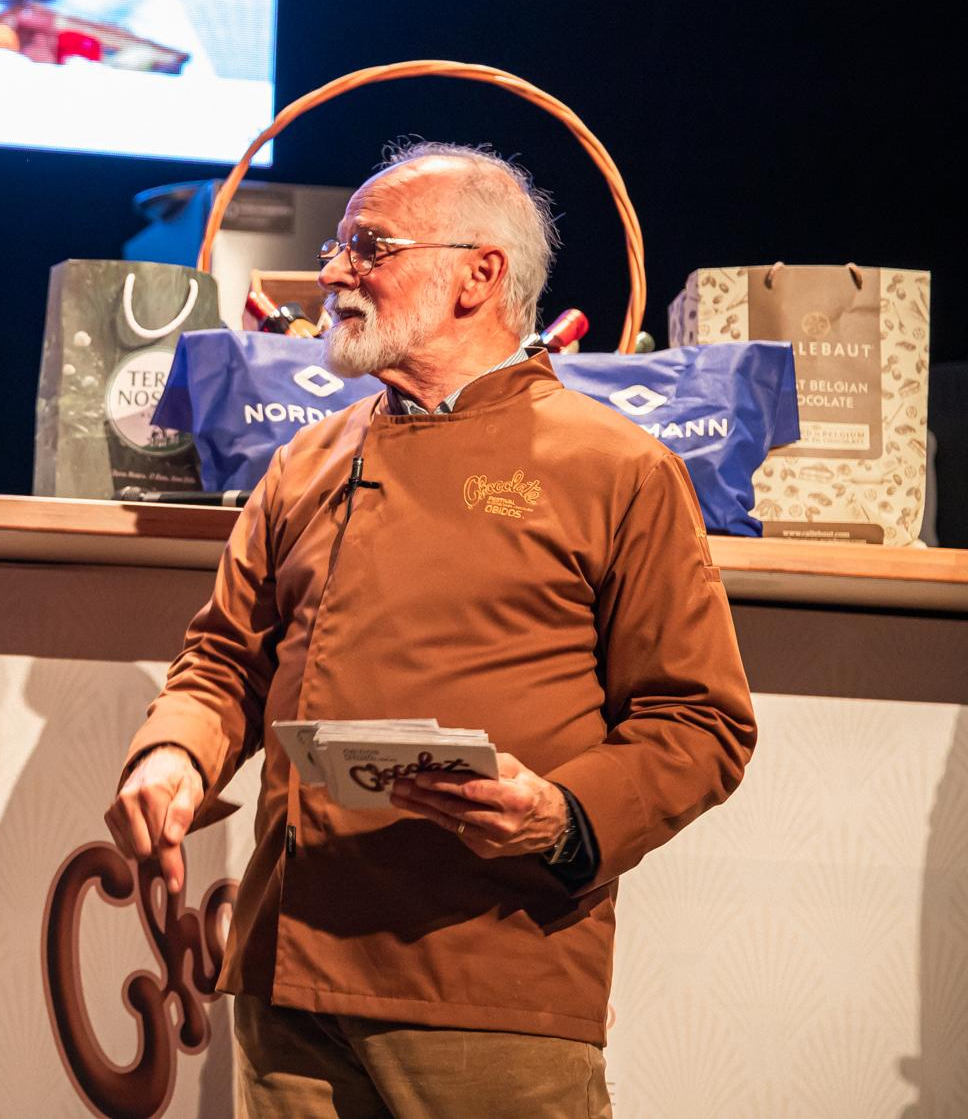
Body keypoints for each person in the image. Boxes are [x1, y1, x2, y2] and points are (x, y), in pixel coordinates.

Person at [103, 141, 756, 1117]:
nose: (333, 272)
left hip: (486, 975)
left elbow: (698, 720)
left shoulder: (615, 467)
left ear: (477, 275)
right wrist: (173, 759)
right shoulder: (305, 461)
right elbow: (226, 660)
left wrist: (564, 815)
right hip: (289, 971)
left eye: (369, 246)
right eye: (335, 247)